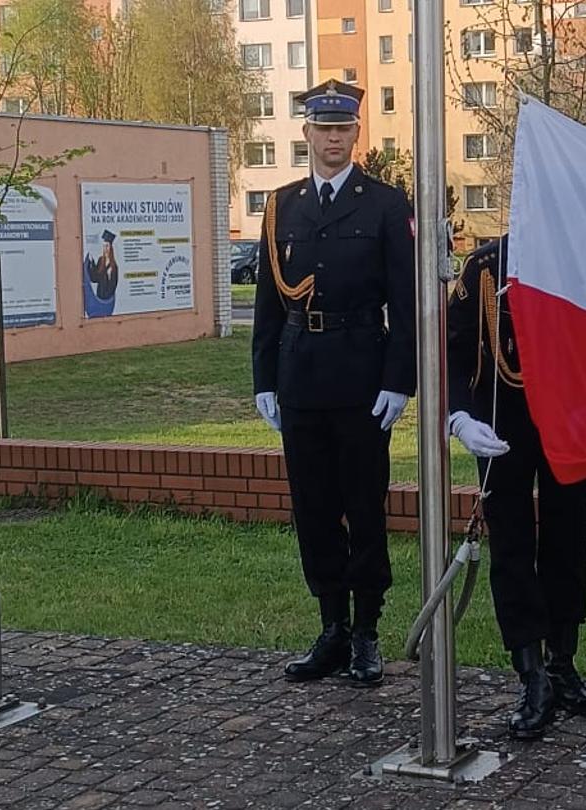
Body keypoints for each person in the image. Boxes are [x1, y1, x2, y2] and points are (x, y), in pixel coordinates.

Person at [250, 79, 416, 687]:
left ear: (356, 134)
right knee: (314, 509)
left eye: (343, 129)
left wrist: (400, 380)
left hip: (361, 377)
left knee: (363, 507)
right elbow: (269, 302)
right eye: (323, 129)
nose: (333, 139)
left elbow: (405, 299)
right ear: (307, 134)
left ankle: (367, 630)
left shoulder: (385, 205)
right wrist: (264, 377)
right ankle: (331, 628)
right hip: (300, 375)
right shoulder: (282, 206)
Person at [446, 235, 586, 740]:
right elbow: (454, 343)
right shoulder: (488, 266)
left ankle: (562, 663)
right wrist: (459, 416)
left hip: (570, 419)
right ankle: (531, 674)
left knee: (567, 540)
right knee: (511, 546)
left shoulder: (584, 257)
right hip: (502, 422)